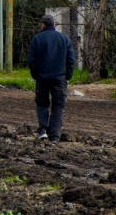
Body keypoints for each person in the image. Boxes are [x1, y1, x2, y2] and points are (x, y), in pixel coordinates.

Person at [27, 15, 75, 144]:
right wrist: (68, 76)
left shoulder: (37, 39)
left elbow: (31, 61)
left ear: (42, 25)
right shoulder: (64, 39)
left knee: (42, 104)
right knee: (58, 107)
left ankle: (43, 130)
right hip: (59, 78)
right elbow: (71, 60)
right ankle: (54, 136)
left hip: (42, 78)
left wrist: (36, 75)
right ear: (54, 24)